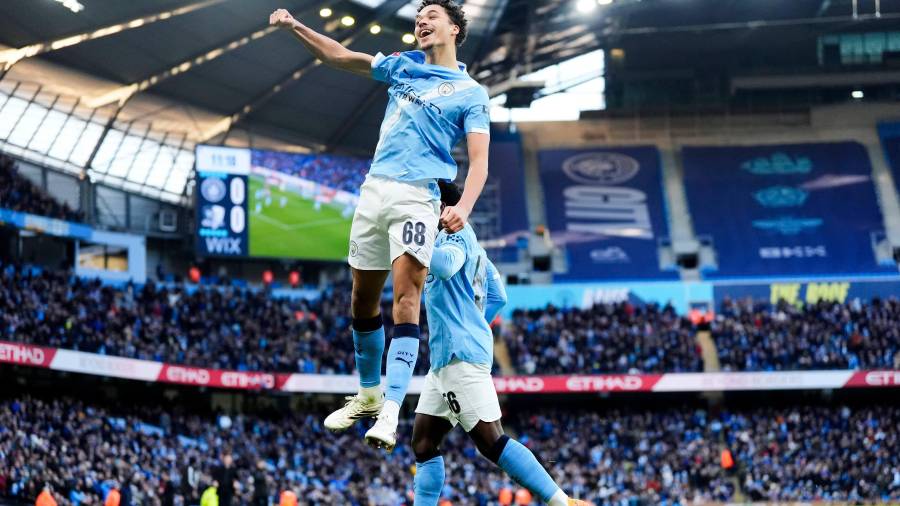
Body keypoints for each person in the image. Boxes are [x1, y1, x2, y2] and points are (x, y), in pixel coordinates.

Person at [269, 0, 491, 450]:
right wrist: (294, 26)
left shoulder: (470, 92)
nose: (421, 22)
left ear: (454, 29)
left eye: (430, 17)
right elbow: (335, 56)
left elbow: (481, 159)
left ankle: (390, 409)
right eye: (418, 18)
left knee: (406, 299)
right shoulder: (402, 67)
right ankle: (368, 395)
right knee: (361, 297)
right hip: (374, 190)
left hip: (417, 196)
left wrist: (463, 205)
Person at [410, 183, 588, 505]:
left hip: (458, 355)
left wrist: (410, 241)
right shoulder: (474, 245)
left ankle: (562, 502)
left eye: (427, 205)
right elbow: (499, 296)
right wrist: (473, 321)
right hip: (446, 360)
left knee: (491, 441)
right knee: (423, 442)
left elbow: (447, 264)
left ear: (444, 208)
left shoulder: (455, 236)